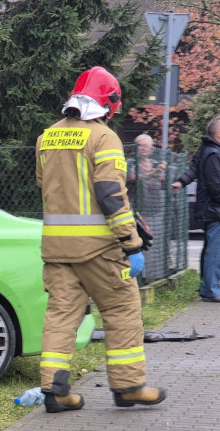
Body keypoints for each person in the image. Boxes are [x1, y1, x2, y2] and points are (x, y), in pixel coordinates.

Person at [34, 66, 166, 413]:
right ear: (108, 103)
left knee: (61, 315)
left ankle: (55, 391)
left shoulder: (47, 136)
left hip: (57, 248)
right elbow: (110, 192)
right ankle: (128, 386)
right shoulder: (102, 136)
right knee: (122, 310)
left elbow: (45, 186)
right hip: (99, 248)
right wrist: (131, 241)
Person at [187, 116, 220, 301]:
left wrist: (181, 181)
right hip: (216, 211)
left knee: (212, 250)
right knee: (214, 252)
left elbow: (192, 170)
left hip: (213, 210)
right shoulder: (214, 154)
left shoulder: (209, 150)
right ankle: (210, 289)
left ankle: (210, 287)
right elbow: (217, 187)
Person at [126, 134, 167, 278]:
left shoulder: (156, 163)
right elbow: (134, 178)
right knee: (138, 244)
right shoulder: (131, 164)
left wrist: (162, 173)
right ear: (136, 148)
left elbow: (163, 184)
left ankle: (152, 276)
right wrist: (154, 172)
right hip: (137, 212)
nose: (144, 149)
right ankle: (139, 277)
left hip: (155, 210)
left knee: (153, 245)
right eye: (141, 146)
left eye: (146, 146)